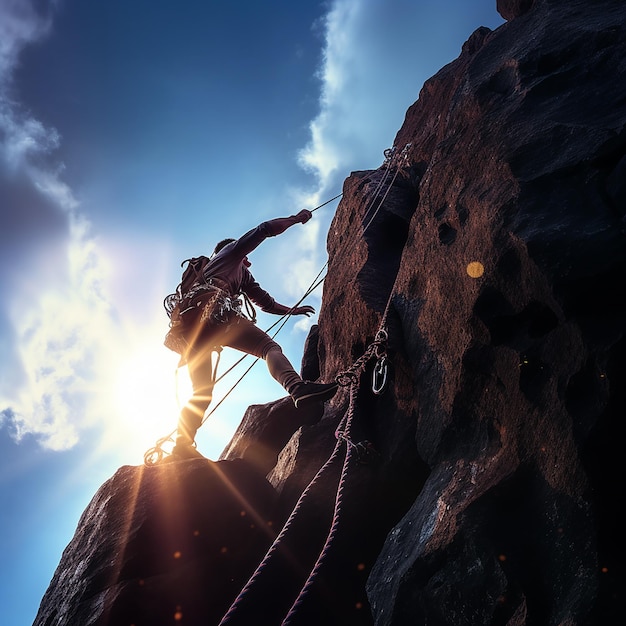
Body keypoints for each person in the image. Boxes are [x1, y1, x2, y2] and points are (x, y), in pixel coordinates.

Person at [165, 209, 338, 459]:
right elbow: (263, 229)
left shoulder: (231, 277)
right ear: (235, 251)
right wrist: (295, 219)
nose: (248, 262)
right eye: (245, 258)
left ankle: (182, 444)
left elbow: (265, 303)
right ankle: (297, 388)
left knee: (201, 390)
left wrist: (292, 310)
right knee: (268, 349)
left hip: (190, 334)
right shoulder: (231, 254)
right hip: (218, 315)